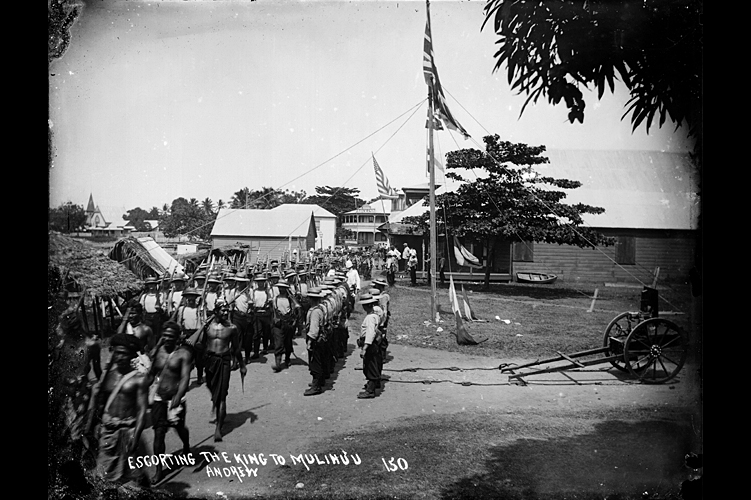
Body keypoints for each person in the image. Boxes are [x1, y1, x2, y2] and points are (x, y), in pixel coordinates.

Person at [87, 333, 150, 487]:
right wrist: (94, 425)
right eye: (117, 352)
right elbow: (101, 404)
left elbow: (142, 411)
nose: (120, 357)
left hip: (128, 433)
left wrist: (135, 438)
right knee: (104, 476)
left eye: (124, 353)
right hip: (109, 433)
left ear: (132, 356)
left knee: (136, 476)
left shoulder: (139, 379)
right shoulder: (108, 376)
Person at [147, 321, 193, 484]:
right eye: (164, 336)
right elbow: (152, 373)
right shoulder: (158, 352)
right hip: (159, 398)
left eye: (170, 337)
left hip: (176, 399)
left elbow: (185, 378)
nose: (167, 339)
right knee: (159, 433)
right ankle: (159, 470)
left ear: (177, 338)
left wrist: (178, 396)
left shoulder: (184, 354)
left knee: (179, 428)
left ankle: (186, 446)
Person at [200, 299, 246, 442]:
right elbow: (200, 344)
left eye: (227, 310)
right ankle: (219, 408)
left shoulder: (232, 328)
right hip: (210, 361)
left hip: (224, 361)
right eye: (222, 310)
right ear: (215, 311)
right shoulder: (207, 326)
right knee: (212, 388)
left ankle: (218, 429)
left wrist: (242, 365)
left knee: (221, 395)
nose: (226, 312)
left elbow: (236, 349)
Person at [173, 288, 204, 384]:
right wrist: (179, 336)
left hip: (197, 333)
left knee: (199, 358)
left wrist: (200, 338)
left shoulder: (199, 309)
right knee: (186, 359)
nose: (191, 298)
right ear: (185, 298)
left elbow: (202, 324)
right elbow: (179, 323)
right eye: (188, 297)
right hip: (185, 334)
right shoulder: (182, 309)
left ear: (196, 298)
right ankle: (185, 380)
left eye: (193, 297)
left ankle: (200, 376)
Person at [357, 294, 383, 399]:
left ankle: (370, 391)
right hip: (373, 343)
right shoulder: (375, 315)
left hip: (370, 344)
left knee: (370, 366)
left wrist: (364, 348)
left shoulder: (370, 318)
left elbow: (370, 333)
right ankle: (374, 384)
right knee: (373, 364)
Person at [303, 289, 327, 396]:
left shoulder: (315, 312)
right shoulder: (320, 308)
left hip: (316, 339)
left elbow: (314, 329)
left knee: (315, 362)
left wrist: (310, 341)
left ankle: (316, 386)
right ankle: (319, 381)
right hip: (321, 339)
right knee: (320, 359)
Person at [270, 282, 297, 372]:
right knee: (278, 343)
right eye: (280, 288)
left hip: (288, 322)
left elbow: (296, 310)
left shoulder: (290, 299)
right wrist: (275, 318)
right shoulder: (275, 299)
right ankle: (277, 363)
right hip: (279, 323)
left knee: (288, 342)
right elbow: (273, 310)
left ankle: (287, 359)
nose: (281, 289)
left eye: (283, 288)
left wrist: (294, 322)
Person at [251, 274, 273, 359]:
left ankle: (265, 348)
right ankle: (256, 352)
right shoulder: (254, 291)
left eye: (262, 282)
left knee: (266, 332)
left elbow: (271, 302)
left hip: (266, 313)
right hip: (257, 314)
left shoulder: (267, 291)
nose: (260, 284)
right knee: (257, 333)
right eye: (259, 282)